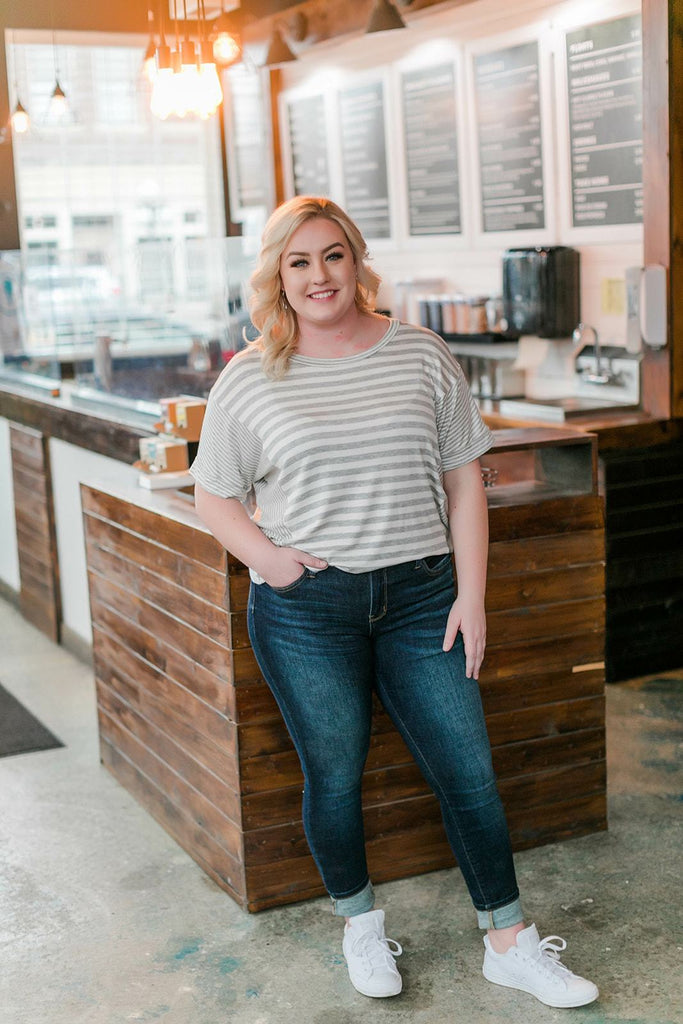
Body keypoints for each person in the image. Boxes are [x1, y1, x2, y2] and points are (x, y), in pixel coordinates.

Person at [190, 196, 598, 1009]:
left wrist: (471, 595)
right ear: (277, 274)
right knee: (334, 776)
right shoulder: (251, 374)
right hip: (307, 612)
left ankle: (508, 943)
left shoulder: (419, 353)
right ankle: (360, 926)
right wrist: (272, 564)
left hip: (422, 599)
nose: (318, 276)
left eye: (332, 255)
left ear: (356, 261)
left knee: (469, 772)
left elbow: (463, 482)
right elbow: (215, 495)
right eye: (298, 261)